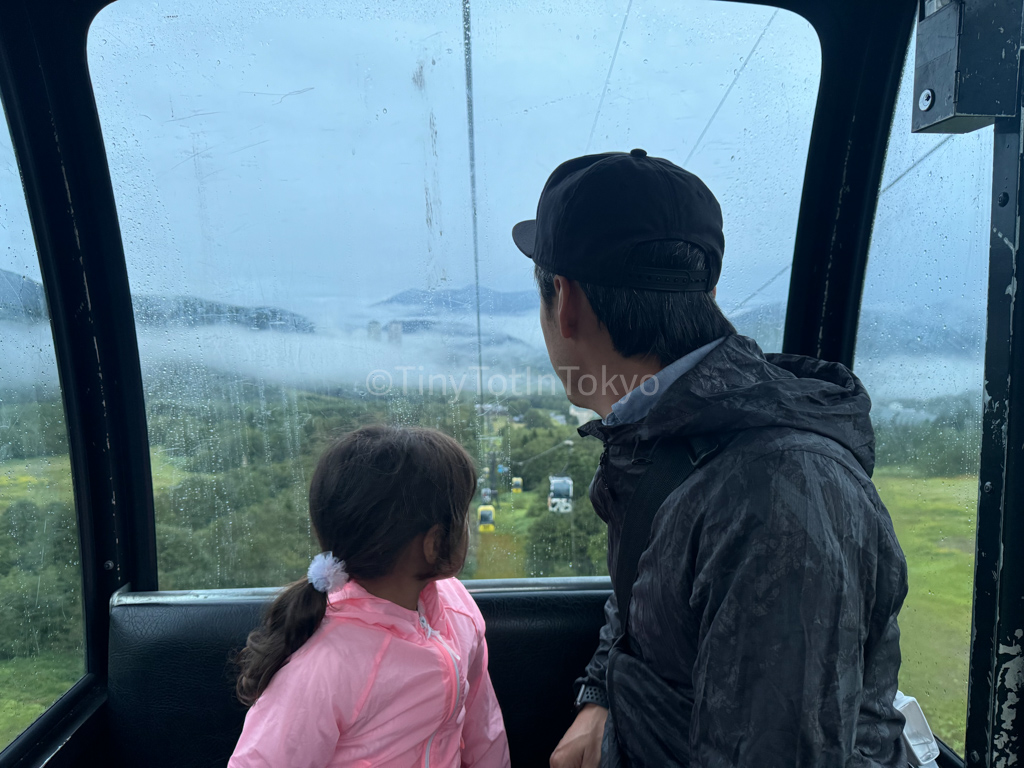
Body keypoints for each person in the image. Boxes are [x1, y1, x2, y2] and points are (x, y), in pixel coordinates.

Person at [512, 150, 908, 767]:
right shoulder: (667, 432)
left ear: (566, 302)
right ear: (708, 292)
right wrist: (600, 701)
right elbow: (648, 591)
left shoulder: (776, 496)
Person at [229, 425, 510, 768]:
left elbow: (483, 727)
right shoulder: (325, 665)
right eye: (463, 513)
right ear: (434, 543)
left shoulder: (457, 607)